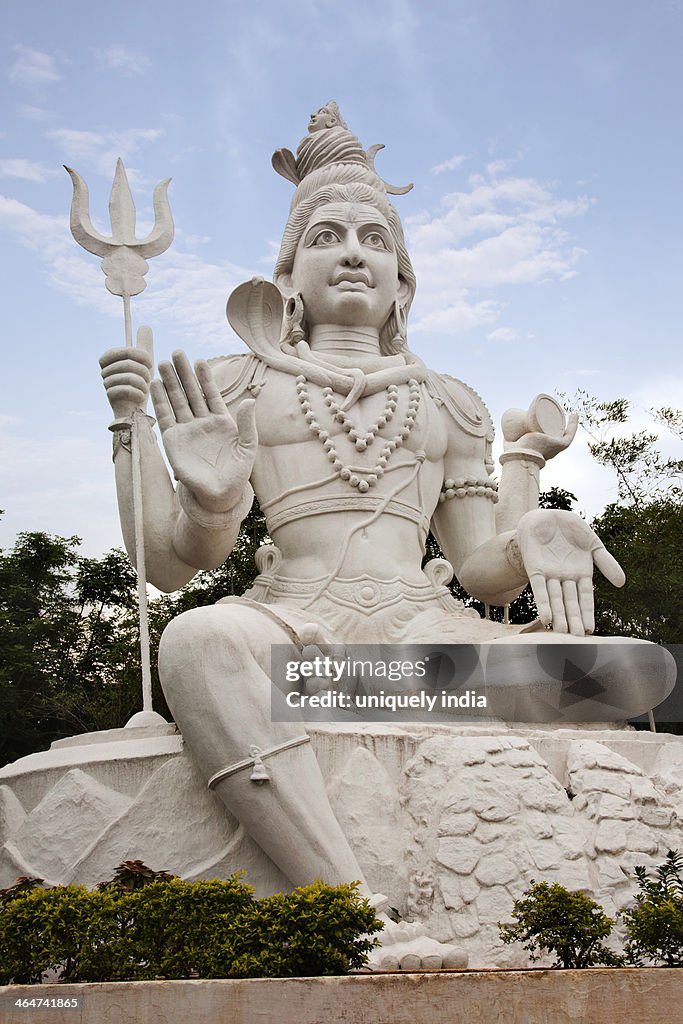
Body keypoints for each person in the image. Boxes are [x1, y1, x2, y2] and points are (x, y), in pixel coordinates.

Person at [98, 104, 672, 967]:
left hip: (422, 630)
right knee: (197, 639)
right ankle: (349, 909)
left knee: (632, 673)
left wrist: (529, 537)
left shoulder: (448, 400)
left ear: (403, 280)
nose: (354, 250)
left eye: (374, 236)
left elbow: (479, 574)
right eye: (326, 235)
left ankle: (326, 693)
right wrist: (194, 487)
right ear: (287, 274)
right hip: (290, 622)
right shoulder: (237, 383)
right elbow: (175, 569)